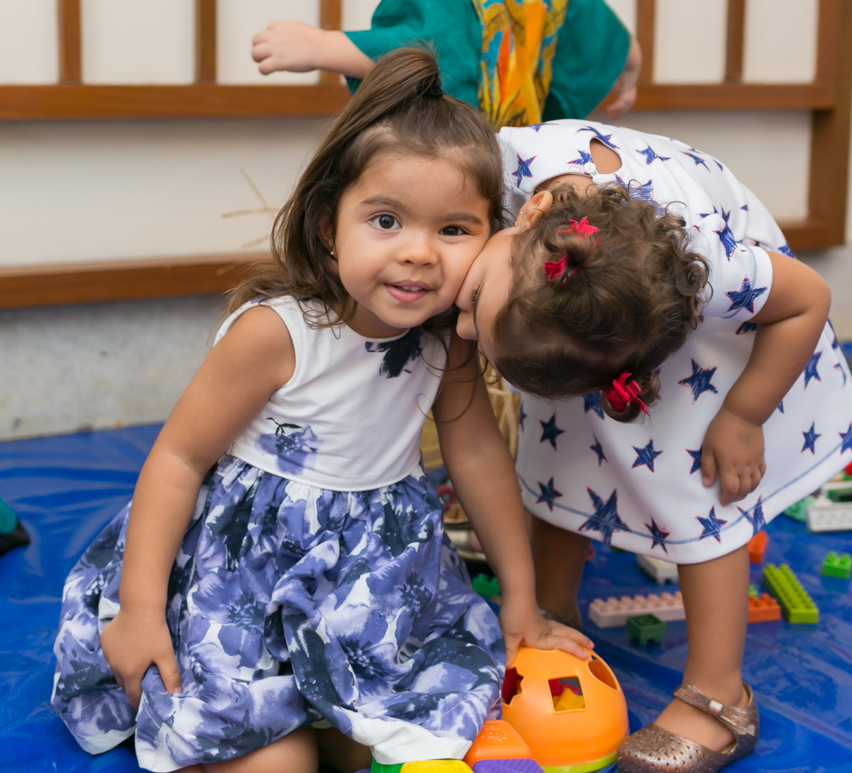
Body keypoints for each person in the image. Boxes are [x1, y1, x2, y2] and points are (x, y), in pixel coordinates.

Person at [50, 49, 591, 773]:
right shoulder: (276, 334)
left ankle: (330, 711)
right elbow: (178, 459)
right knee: (280, 764)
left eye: (454, 230)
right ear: (328, 225)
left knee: (408, 739)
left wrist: (521, 601)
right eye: (386, 220)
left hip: (368, 580)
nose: (419, 254)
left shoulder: (446, 342)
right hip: (242, 582)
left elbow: (477, 456)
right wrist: (140, 610)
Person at [455, 119, 852, 773]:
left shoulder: (714, 270)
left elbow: (807, 298)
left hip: (728, 345)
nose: (458, 324)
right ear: (529, 213)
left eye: (474, 301)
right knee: (561, 451)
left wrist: (743, 415)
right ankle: (549, 614)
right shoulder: (508, 168)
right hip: (583, 320)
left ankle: (720, 696)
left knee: (698, 489)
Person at [250, 0, 641, 129]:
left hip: (462, 155)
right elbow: (608, 37)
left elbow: (425, 56)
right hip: (519, 156)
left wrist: (322, 46)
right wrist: (629, 70)